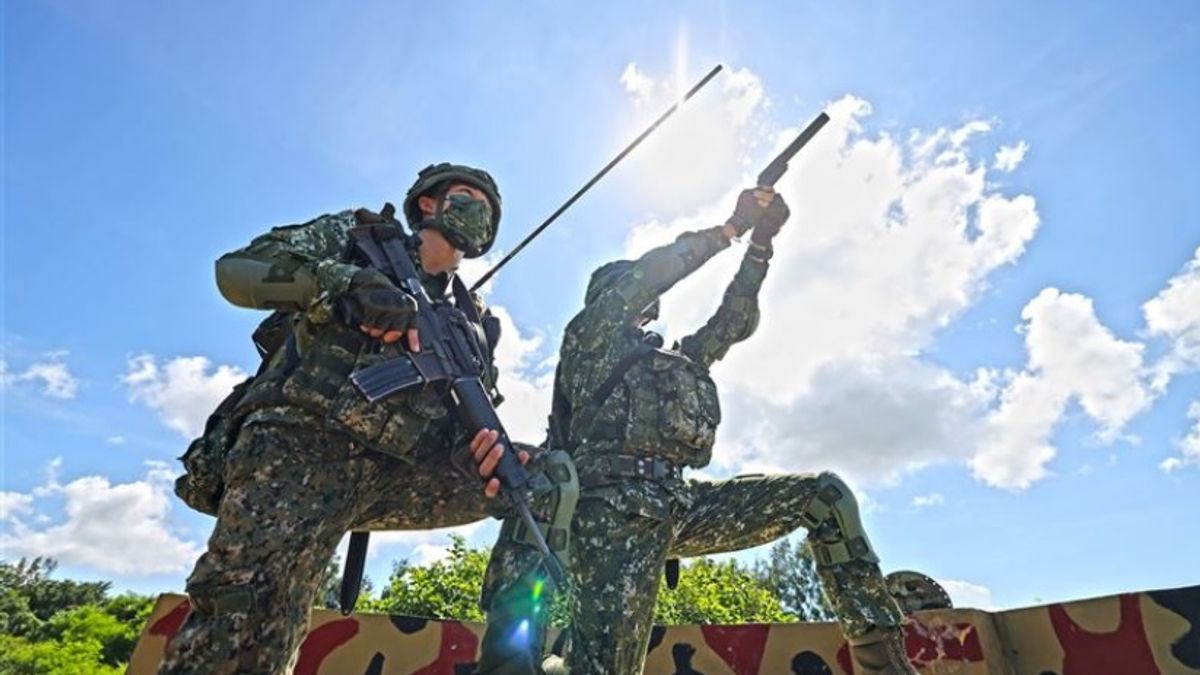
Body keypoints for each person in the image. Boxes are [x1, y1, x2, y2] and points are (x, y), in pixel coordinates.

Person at [160, 163, 575, 675]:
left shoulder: (476, 323)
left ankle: (512, 663)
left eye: (490, 209)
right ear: (428, 202)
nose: (481, 212)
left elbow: (453, 426)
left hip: (401, 471)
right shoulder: (360, 239)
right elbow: (237, 270)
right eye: (469, 196)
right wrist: (346, 284)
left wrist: (479, 459)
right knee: (248, 625)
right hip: (304, 448)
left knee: (543, 481)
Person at [482, 187, 917, 675]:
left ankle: (884, 664)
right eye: (630, 291)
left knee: (824, 498)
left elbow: (732, 320)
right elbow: (652, 273)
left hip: (680, 504)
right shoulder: (589, 340)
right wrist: (731, 229)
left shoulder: (679, 361)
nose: (640, 301)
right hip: (611, 513)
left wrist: (761, 247)